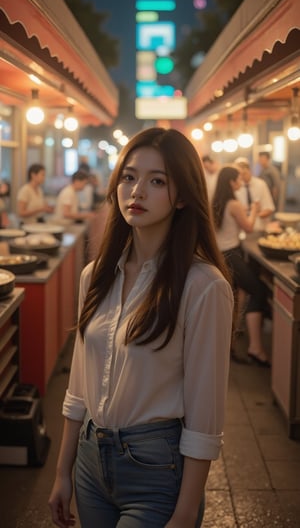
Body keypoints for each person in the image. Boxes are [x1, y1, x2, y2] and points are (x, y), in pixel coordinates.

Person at [48, 127, 234, 528]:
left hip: (156, 469)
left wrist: (185, 512)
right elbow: (79, 388)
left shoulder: (204, 287)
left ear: (182, 196)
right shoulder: (94, 276)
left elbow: (205, 416)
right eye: (129, 177)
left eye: (157, 181)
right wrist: (62, 472)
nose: (137, 191)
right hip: (89, 464)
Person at [212, 165, 270, 367]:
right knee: (257, 290)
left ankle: (229, 345)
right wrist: (254, 210)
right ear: (231, 182)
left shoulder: (218, 201)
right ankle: (255, 347)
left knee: (235, 298)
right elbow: (249, 226)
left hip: (221, 254)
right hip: (232, 254)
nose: (241, 182)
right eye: (238, 179)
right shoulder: (234, 203)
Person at [234, 157, 275, 232]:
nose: (242, 177)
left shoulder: (261, 184)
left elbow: (269, 208)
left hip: (259, 228)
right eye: (240, 175)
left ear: (250, 170)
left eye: (244, 173)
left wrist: (254, 213)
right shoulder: (236, 187)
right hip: (241, 231)